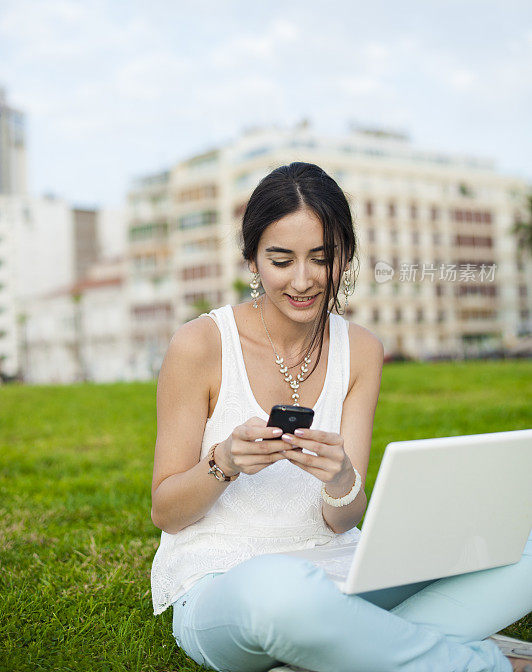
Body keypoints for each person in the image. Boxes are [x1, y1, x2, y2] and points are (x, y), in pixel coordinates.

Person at [150, 162, 532, 672]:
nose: (303, 280)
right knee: (287, 597)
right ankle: (478, 664)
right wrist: (225, 461)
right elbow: (166, 512)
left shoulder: (362, 349)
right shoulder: (199, 344)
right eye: (281, 261)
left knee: (522, 547)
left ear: (344, 256)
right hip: (231, 584)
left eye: (321, 258)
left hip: (341, 569)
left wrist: (342, 476)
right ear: (253, 260)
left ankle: (341, 648)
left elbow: (341, 519)